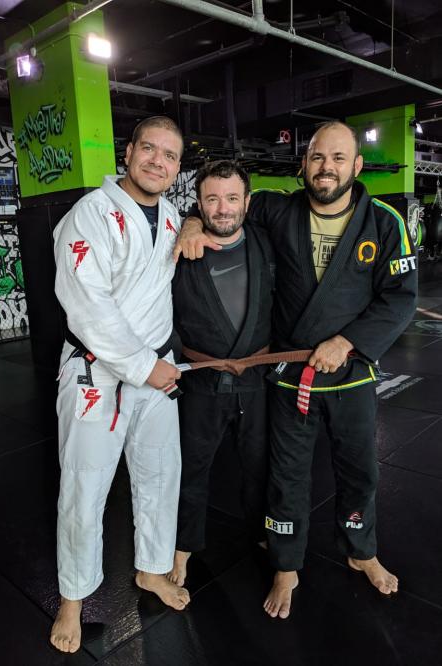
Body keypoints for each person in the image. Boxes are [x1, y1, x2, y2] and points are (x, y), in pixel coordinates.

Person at [174, 121, 417, 619]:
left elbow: (400, 298)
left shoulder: (384, 222)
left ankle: (361, 550)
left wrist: (348, 341)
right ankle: (286, 564)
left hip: (350, 371)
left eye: (338, 158)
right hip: (289, 372)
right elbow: (224, 208)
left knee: (360, 469)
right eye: (317, 157)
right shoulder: (277, 209)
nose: (327, 167)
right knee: (285, 473)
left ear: (357, 165)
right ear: (304, 164)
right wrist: (190, 223)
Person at [50, 116, 189, 653]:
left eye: (170, 155)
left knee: (160, 475)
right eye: (149, 149)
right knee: (84, 487)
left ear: (178, 166)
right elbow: (87, 305)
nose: (158, 161)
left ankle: (152, 568)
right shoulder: (89, 214)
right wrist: (142, 365)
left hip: (157, 370)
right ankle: (73, 598)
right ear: (127, 152)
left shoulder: (173, 216)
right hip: (97, 371)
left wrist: (194, 224)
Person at [167, 160, 274, 586]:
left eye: (232, 198)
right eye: (212, 199)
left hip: (256, 380)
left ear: (247, 201)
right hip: (201, 381)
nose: (223, 208)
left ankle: (263, 531)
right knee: (190, 468)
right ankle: (183, 546)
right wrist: (189, 226)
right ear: (199, 203)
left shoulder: (267, 241)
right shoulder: (179, 249)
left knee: (260, 465)